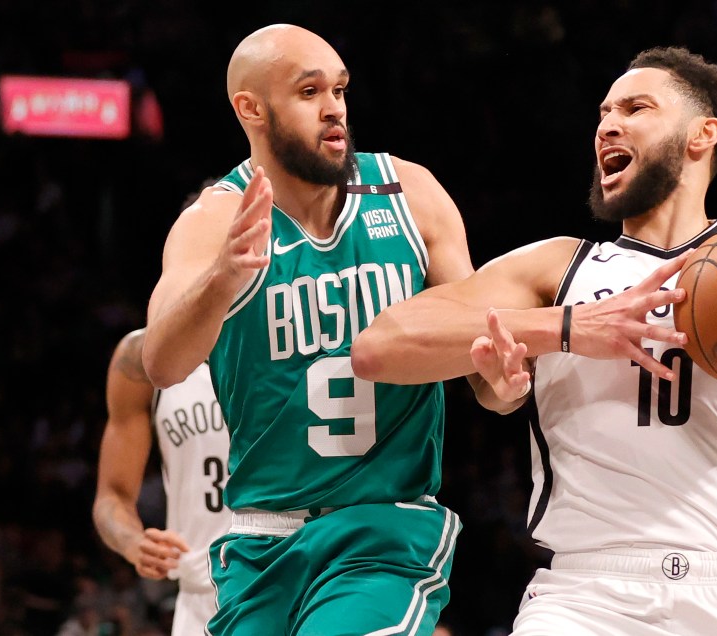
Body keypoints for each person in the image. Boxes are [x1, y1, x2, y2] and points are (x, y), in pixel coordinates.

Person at [351, 45, 717, 634]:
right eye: (603, 114)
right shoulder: (556, 267)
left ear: (703, 134)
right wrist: (563, 331)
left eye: (635, 109)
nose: (608, 126)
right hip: (587, 594)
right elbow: (380, 346)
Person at [141, 23, 480, 635]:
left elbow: (482, 349)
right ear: (251, 109)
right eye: (309, 92)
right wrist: (222, 279)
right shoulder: (214, 220)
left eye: (341, 90)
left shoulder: (409, 193)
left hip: (381, 531)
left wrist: (504, 384)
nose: (335, 110)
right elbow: (161, 364)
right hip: (259, 540)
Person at [93, 328, 231, 635]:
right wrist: (133, 541)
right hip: (200, 598)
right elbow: (112, 495)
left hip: (294, 575)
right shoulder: (140, 358)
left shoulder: (289, 328)